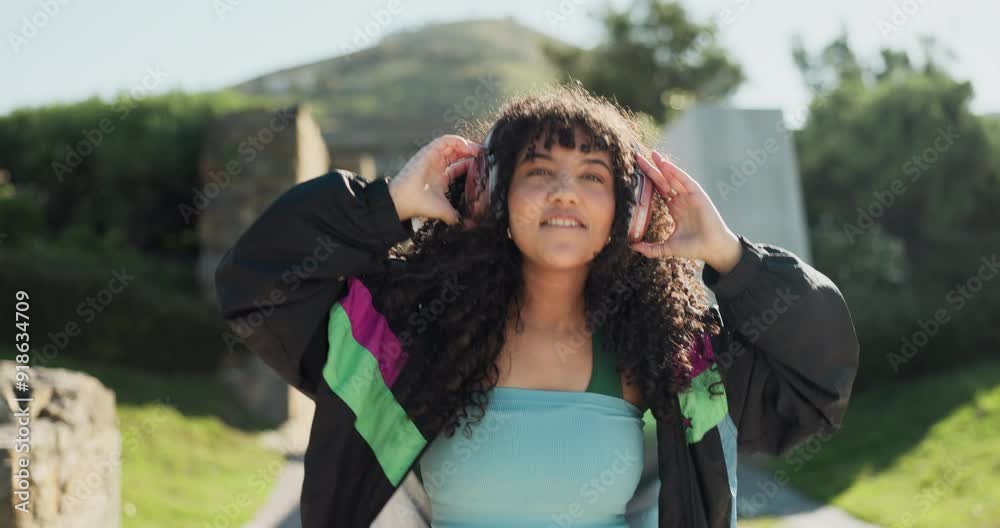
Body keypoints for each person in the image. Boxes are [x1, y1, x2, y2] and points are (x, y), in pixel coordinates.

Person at [214, 85, 859, 528]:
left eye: (593, 176)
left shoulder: (670, 352)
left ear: (627, 208)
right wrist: (387, 205)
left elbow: (815, 384)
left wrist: (732, 257)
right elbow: (254, 286)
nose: (564, 194)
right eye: (537, 170)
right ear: (492, 197)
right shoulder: (403, 337)